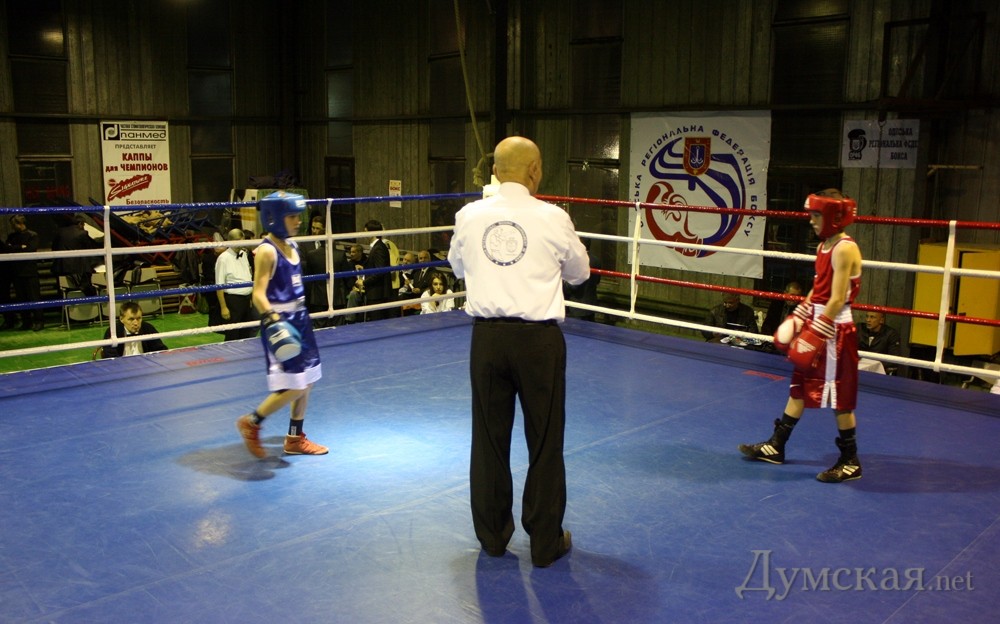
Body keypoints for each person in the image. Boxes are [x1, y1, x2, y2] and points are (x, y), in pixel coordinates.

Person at [448, 136, 590, 567]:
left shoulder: (469, 216)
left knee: (488, 441)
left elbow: (457, 267)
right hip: (538, 342)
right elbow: (580, 273)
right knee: (545, 441)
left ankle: (493, 538)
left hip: (487, 340)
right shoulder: (553, 217)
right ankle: (545, 543)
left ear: (495, 171)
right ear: (535, 170)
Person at [739, 189, 864, 483]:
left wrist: (816, 332)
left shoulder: (845, 248)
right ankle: (776, 445)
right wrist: (800, 314)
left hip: (835, 331)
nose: (811, 220)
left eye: (816, 215)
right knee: (799, 387)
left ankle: (850, 461)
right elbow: (818, 290)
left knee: (839, 398)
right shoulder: (824, 246)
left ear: (834, 216)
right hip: (819, 323)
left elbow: (837, 299)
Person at [236, 191, 327, 458]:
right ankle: (252, 422)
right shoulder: (267, 251)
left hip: (301, 318)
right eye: (291, 217)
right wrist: (273, 320)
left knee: (308, 380)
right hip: (281, 321)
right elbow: (258, 293)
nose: (298, 221)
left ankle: (295, 438)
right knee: (295, 385)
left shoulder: (293, 245)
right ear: (274, 218)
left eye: (298, 216)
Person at [215, 228, 257, 341]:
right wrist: (223, 307)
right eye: (238, 241)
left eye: (242, 241)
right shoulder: (223, 258)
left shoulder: (244, 254)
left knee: (246, 332)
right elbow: (219, 285)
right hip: (233, 301)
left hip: (246, 299)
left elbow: (248, 275)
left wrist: (250, 297)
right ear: (231, 241)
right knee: (232, 334)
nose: (241, 244)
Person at [6, 215, 45, 331]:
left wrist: (14, 248)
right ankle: (26, 322)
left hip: (29, 271)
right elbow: (7, 249)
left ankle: (39, 321)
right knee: (21, 299)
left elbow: (30, 250)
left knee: (34, 298)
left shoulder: (32, 235)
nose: (12, 227)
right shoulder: (12, 236)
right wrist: (20, 247)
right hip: (17, 272)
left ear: (19, 224)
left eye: (13, 225)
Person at [51, 213, 100, 295]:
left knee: (62, 292)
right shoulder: (82, 233)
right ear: (80, 224)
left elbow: (54, 247)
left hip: (60, 268)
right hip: (77, 270)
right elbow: (89, 249)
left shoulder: (60, 232)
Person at [355, 220, 394, 321]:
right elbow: (378, 267)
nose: (364, 234)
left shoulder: (379, 248)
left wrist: (363, 282)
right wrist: (365, 268)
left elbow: (380, 271)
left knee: (377, 321)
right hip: (376, 292)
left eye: (365, 231)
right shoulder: (377, 247)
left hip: (378, 293)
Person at [100, 301, 168, 358]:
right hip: (121, 367)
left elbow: (161, 349)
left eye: (138, 318)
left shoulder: (148, 328)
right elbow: (109, 356)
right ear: (121, 319)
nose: (136, 323)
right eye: (131, 319)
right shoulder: (113, 332)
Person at [858, 311, 902, 375]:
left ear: (881, 320)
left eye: (872, 317)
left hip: (879, 371)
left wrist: (876, 365)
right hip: (859, 367)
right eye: (867, 316)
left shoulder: (891, 334)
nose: (868, 320)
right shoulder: (859, 328)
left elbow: (894, 358)